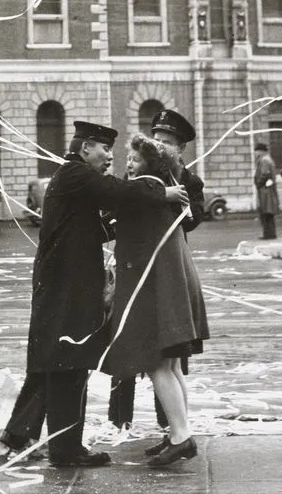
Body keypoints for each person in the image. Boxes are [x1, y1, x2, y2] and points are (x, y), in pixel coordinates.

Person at [1, 121, 187, 469]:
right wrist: (163, 194)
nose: (109, 159)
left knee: (54, 361)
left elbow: (91, 227)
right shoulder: (76, 173)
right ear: (86, 148)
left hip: (61, 284)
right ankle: (66, 450)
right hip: (66, 287)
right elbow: (119, 191)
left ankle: (22, 433)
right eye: (105, 151)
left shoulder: (72, 178)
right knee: (69, 362)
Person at [106, 134, 207, 467]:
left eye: (134, 159)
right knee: (172, 366)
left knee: (157, 364)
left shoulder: (147, 188)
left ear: (149, 164)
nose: (128, 165)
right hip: (172, 283)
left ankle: (180, 437)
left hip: (157, 287)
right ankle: (178, 432)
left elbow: (120, 197)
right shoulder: (161, 188)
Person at [253, 142, 279, 240]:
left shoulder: (264, 160)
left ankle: (268, 234)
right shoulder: (268, 159)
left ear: (260, 151)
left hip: (265, 191)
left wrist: (259, 184)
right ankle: (271, 233)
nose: (255, 153)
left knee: (265, 212)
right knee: (269, 213)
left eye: (256, 151)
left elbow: (265, 174)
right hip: (268, 190)